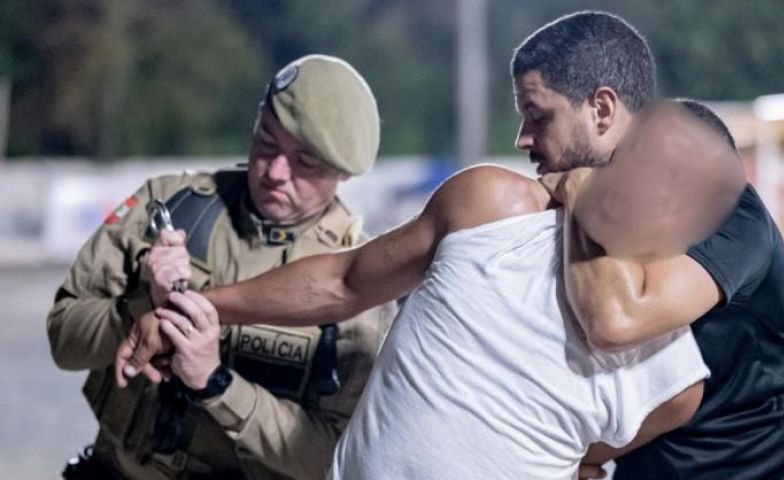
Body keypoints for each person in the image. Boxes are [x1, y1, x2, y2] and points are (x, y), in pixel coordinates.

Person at [121, 99, 741, 478]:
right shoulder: (494, 207)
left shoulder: (675, 382)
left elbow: (581, 459)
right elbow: (343, 280)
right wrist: (204, 306)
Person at [508, 12, 784, 478]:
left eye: (538, 117)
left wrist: (585, 187)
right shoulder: (567, 214)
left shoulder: (721, 206)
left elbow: (616, 321)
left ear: (602, 110)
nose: (523, 139)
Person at [47, 54, 396, 480]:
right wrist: (141, 308)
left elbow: (336, 458)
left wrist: (217, 385)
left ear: (342, 173)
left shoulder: (356, 285)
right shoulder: (169, 207)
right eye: (267, 141)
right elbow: (63, 339)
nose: (274, 171)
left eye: (304, 162)